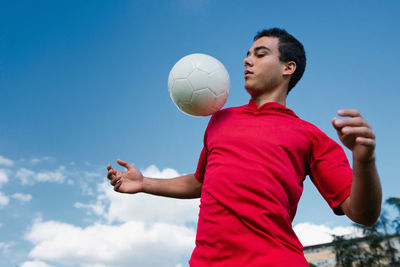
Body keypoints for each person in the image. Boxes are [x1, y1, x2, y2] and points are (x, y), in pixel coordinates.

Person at [107, 28, 382, 266]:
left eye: (260, 54)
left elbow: (363, 214)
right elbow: (201, 181)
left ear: (288, 68)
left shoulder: (311, 137)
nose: (247, 60)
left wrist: (364, 160)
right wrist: (144, 183)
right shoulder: (220, 119)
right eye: (248, 54)